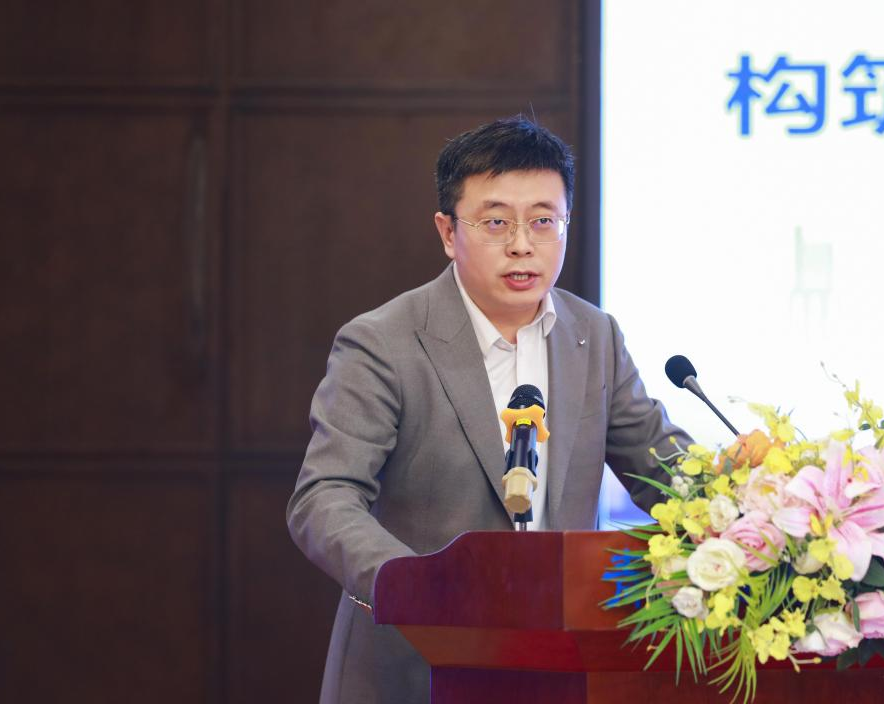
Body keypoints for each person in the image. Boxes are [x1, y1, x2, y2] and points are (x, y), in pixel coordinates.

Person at [286, 116, 689, 704]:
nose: (522, 244)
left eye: (544, 221)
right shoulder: (384, 342)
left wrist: (759, 504)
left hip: (562, 667)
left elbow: (664, 471)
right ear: (449, 232)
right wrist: (414, 585)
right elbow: (323, 498)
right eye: (496, 222)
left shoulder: (594, 336)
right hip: (414, 664)